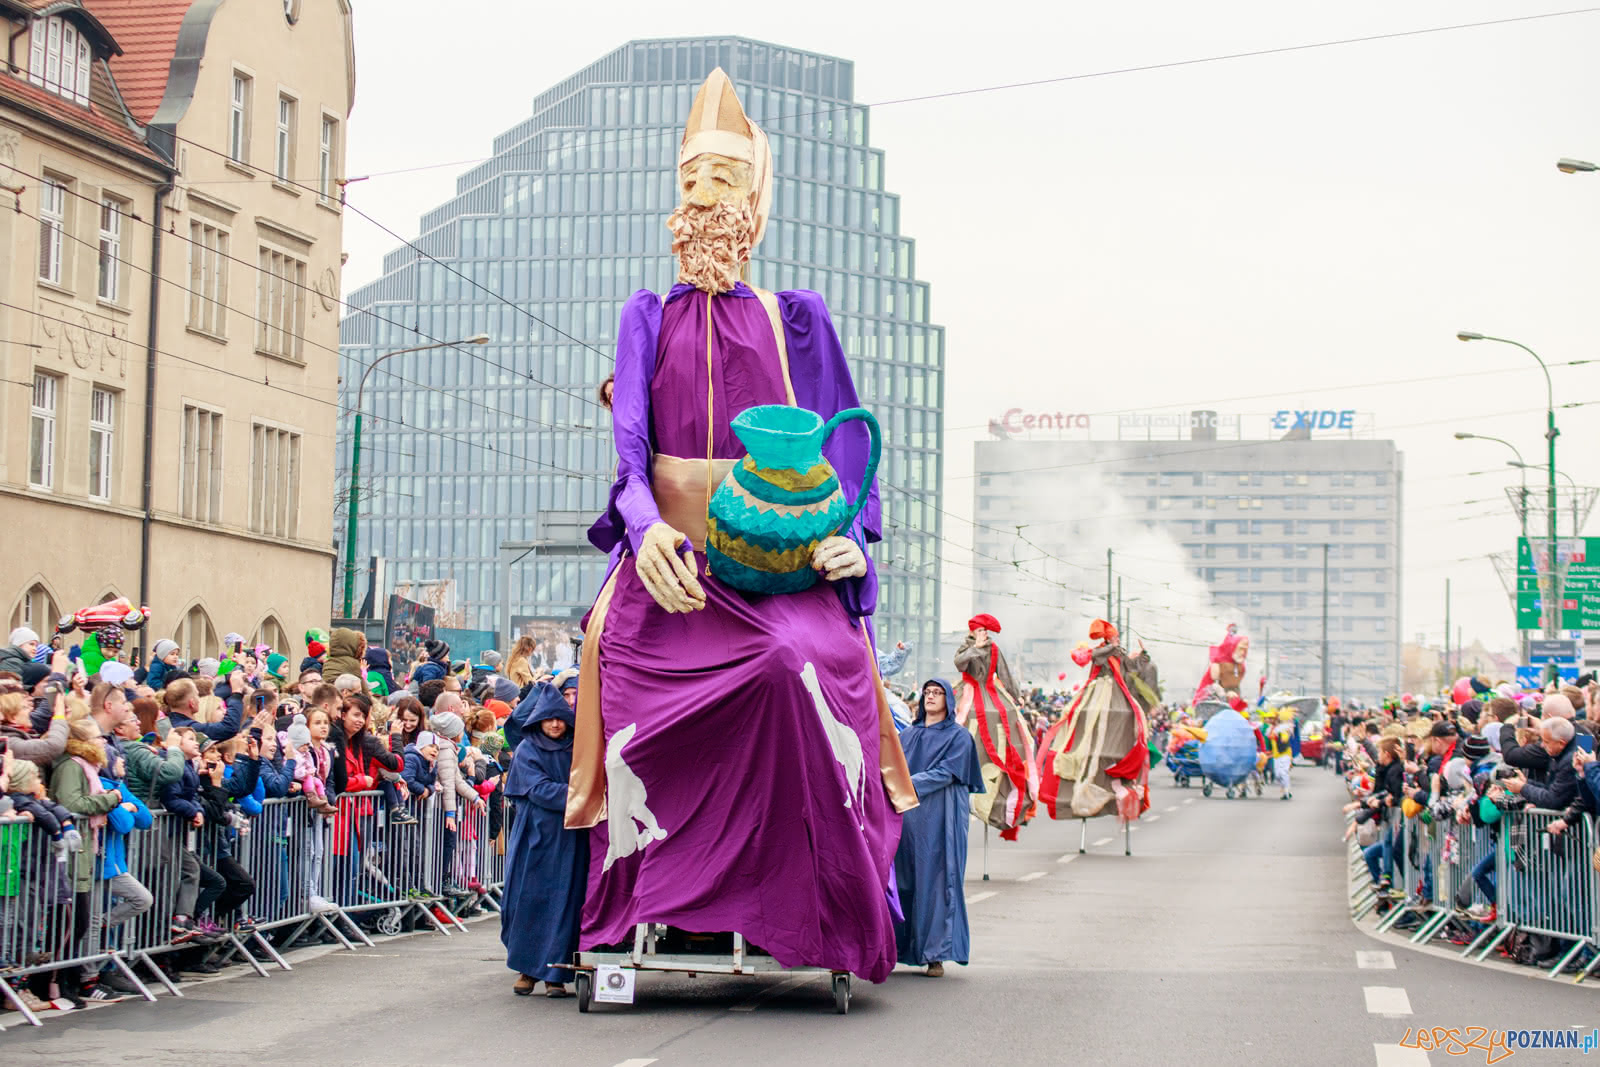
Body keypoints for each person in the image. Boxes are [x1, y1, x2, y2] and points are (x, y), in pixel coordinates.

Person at [567, 68, 915, 984]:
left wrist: (850, 535)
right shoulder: (644, 317)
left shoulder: (799, 319)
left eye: (722, 178)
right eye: (689, 179)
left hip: (783, 565)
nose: (701, 196)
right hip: (672, 564)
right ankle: (648, 894)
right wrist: (642, 533)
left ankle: (813, 901)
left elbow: (849, 441)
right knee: (608, 648)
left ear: (756, 197)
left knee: (794, 667)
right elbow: (630, 457)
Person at [501, 683, 588, 996]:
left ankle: (556, 974)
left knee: (566, 903)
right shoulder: (528, 749)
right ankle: (526, 971)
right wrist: (580, 795)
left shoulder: (577, 748)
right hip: (534, 838)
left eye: (560, 719)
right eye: (549, 719)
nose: (555, 724)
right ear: (539, 720)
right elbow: (537, 789)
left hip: (570, 838)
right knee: (528, 900)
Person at [893, 679, 983, 977]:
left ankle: (936, 954)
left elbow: (947, 773)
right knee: (905, 879)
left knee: (937, 879)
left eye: (937, 693)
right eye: (927, 693)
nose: (931, 697)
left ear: (949, 699)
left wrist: (908, 784)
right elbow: (894, 767)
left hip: (941, 815)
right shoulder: (908, 735)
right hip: (909, 816)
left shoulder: (959, 737)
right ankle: (898, 948)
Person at [955, 613, 1037, 839]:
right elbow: (959, 663)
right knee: (959, 719)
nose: (983, 634)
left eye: (985, 631)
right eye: (979, 630)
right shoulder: (965, 647)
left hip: (993, 693)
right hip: (969, 692)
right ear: (972, 631)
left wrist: (1015, 695)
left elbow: (1005, 673)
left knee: (1007, 720)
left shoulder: (994, 649)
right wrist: (975, 647)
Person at [1268, 709, 1295, 800]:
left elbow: (1285, 738)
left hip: (1284, 753)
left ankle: (1286, 791)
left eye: (1272, 718)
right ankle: (1285, 790)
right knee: (1277, 775)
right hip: (1276, 755)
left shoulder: (1283, 728)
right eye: (1269, 718)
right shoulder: (1271, 729)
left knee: (1283, 773)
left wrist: (1280, 737)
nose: (1270, 720)